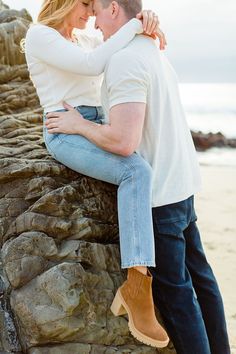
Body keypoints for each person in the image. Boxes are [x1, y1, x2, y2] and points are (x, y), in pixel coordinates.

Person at [45, 0, 231, 353]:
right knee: (202, 281)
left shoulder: (126, 60)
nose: (95, 24)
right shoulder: (151, 46)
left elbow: (123, 141)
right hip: (183, 185)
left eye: (97, 11)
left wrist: (79, 125)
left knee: (176, 295)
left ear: (113, 8)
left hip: (159, 196)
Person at [24, 0, 169, 349]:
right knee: (136, 172)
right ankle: (136, 287)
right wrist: (136, 26)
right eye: (86, 5)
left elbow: (109, 46)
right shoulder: (39, 35)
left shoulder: (82, 38)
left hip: (94, 123)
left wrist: (145, 21)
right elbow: (91, 66)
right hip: (66, 129)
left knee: (147, 166)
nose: (91, 14)